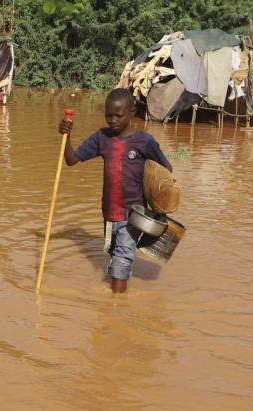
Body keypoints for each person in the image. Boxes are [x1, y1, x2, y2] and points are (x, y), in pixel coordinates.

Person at [58, 88, 173, 293]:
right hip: (109, 212)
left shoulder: (144, 141)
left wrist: (158, 205)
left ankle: (115, 307)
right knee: (114, 254)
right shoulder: (102, 138)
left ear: (132, 112)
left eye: (118, 115)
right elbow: (71, 160)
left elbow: (166, 172)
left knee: (121, 260)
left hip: (133, 215)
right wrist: (67, 136)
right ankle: (120, 291)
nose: (112, 120)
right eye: (108, 115)